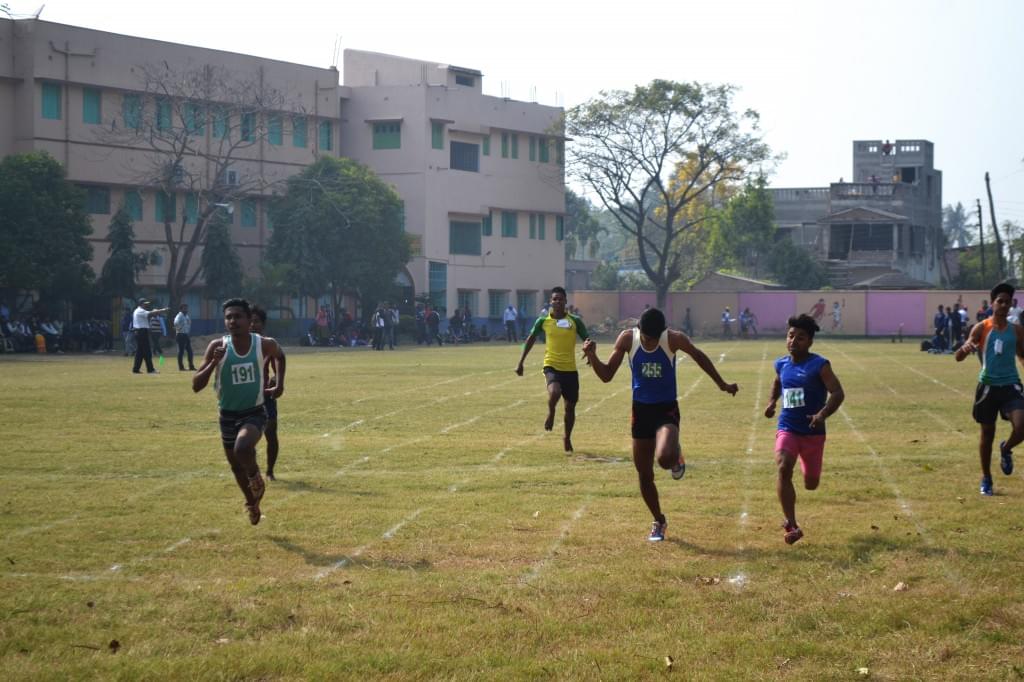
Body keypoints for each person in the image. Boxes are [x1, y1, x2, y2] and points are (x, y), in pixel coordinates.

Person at [582, 308, 738, 542]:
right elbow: (606, 375)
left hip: (666, 409)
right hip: (641, 411)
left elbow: (698, 356)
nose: (650, 342)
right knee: (644, 474)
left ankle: (675, 454)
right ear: (639, 330)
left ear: (662, 332)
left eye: (655, 339)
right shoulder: (628, 339)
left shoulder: (673, 339)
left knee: (664, 459)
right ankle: (659, 520)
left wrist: (722, 384)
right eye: (647, 338)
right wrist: (592, 356)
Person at [193, 298, 285, 525]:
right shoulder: (217, 346)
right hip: (227, 414)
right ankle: (252, 503)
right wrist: (213, 363)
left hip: (254, 412)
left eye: (238, 316)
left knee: (242, 448)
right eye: (228, 317)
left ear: (248, 319)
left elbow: (280, 356)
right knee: (235, 466)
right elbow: (196, 385)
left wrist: (279, 384)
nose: (233, 321)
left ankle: (255, 476)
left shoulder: (263, 344)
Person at [764, 314, 845, 544]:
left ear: (810, 341)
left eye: (800, 338)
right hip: (788, 427)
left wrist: (822, 414)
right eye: (790, 336)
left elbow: (838, 393)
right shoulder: (781, 364)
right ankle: (791, 524)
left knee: (811, 483)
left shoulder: (820, 365)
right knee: (783, 467)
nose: (793, 341)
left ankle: (805, 465)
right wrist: (772, 402)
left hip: (813, 432)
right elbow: (778, 382)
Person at [955, 282, 1023, 496]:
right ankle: (986, 479)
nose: (1003, 305)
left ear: (1011, 304)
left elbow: (1022, 355)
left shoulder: (1017, 330)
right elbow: (958, 356)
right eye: (999, 301)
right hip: (988, 386)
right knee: (987, 434)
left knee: (1022, 426)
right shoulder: (981, 327)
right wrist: (965, 349)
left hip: (1011, 384)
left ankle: (1006, 448)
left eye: (1007, 302)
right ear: (992, 303)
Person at [516, 287, 588, 452]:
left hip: (570, 369)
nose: (557, 302)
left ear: (565, 301)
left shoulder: (575, 321)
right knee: (554, 392)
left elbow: (587, 339)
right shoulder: (543, 321)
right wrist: (521, 362)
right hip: (551, 366)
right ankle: (551, 412)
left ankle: (567, 437)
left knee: (570, 408)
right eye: (554, 299)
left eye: (560, 299)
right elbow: (530, 340)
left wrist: (590, 352)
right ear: (550, 301)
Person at [250, 305, 286, 481]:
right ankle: (252, 471)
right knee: (248, 437)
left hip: (265, 395)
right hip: (246, 397)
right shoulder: (237, 344)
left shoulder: (267, 344)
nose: (252, 325)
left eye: (256, 321)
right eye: (249, 321)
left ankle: (270, 471)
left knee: (270, 434)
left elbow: (278, 362)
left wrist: (276, 381)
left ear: (263, 324)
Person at [131, 299, 169, 374]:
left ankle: (136, 369)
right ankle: (150, 369)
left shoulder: (138, 311)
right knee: (147, 352)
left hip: (140, 332)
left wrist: (156, 311)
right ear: (141, 304)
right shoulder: (140, 311)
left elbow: (151, 314)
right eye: (144, 304)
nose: (146, 305)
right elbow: (151, 313)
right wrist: (162, 310)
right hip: (142, 332)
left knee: (140, 353)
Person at [174, 303, 197, 371]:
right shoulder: (179, 315)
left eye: (186, 308)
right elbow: (176, 323)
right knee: (181, 352)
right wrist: (179, 328)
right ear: (181, 309)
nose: (186, 310)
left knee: (190, 351)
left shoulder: (186, 316)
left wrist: (187, 330)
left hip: (186, 335)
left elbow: (189, 323)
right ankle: (181, 367)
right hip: (180, 335)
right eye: (184, 308)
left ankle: (191, 366)